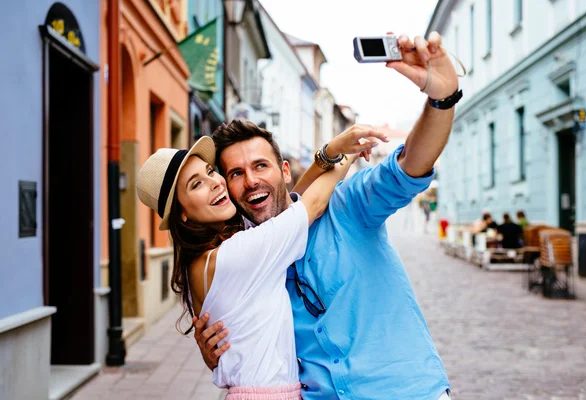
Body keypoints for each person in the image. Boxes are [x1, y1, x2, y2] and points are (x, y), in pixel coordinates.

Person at [195, 31, 458, 399]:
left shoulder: (347, 206)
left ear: (284, 172)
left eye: (260, 166)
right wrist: (217, 353)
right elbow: (239, 342)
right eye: (236, 173)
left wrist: (442, 99)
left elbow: (410, 166)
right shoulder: (246, 260)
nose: (251, 180)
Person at [136, 128, 384, 399]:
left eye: (210, 171)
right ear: (182, 213)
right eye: (196, 185)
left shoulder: (203, 259)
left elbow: (284, 205)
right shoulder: (235, 256)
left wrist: (327, 155)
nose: (215, 183)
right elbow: (310, 205)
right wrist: (345, 153)